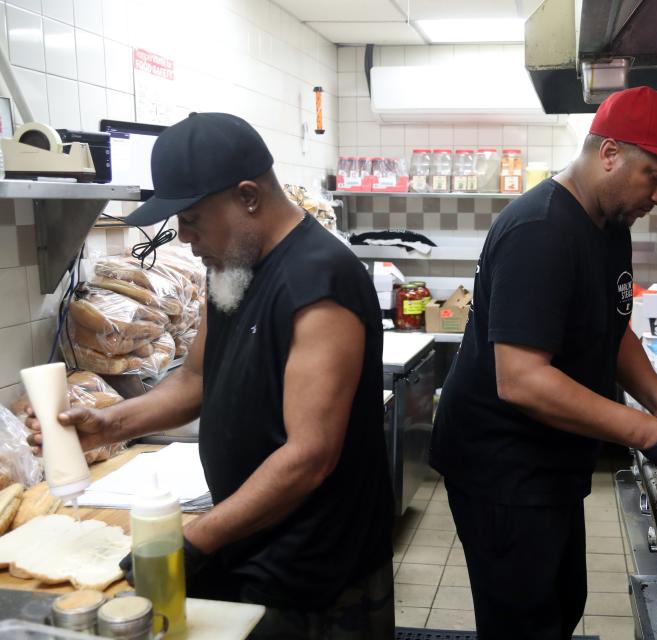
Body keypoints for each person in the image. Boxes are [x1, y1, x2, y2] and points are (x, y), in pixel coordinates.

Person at [27, 113, 394, 639]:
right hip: (249, 542)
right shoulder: (233, 267)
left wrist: (196, 539)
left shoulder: (319, 280)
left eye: (193, 217)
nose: (183, 235)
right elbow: (195, 380)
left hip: (315, 568)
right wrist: (106, 425)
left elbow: (310, 455)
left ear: (247, 196)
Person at [429, 86, 657, 639]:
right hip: (503, 468)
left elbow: (611, 325)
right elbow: (523, 381)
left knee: (561, 605)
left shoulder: (609, 225)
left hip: (551, 460)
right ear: (609, 153)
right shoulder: (541, 231)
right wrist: (647, 433)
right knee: (523, 624)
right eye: (653, 175)